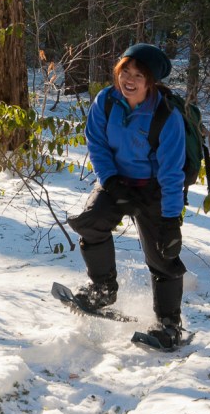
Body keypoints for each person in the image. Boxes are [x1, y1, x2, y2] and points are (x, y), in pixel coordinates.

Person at [67, 43, 189, 349]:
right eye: (125, 72)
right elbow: (96, 143)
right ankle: (103, 289)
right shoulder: (106, 101)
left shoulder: (166, 116)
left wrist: (171, 220)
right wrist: (110, 181)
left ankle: (169, 323)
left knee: (163, 253)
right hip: (117, 181)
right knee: (91, 222)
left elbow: (172, 173)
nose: (128, 80)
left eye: (138, 75)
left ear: (151, 82)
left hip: (154, 187)